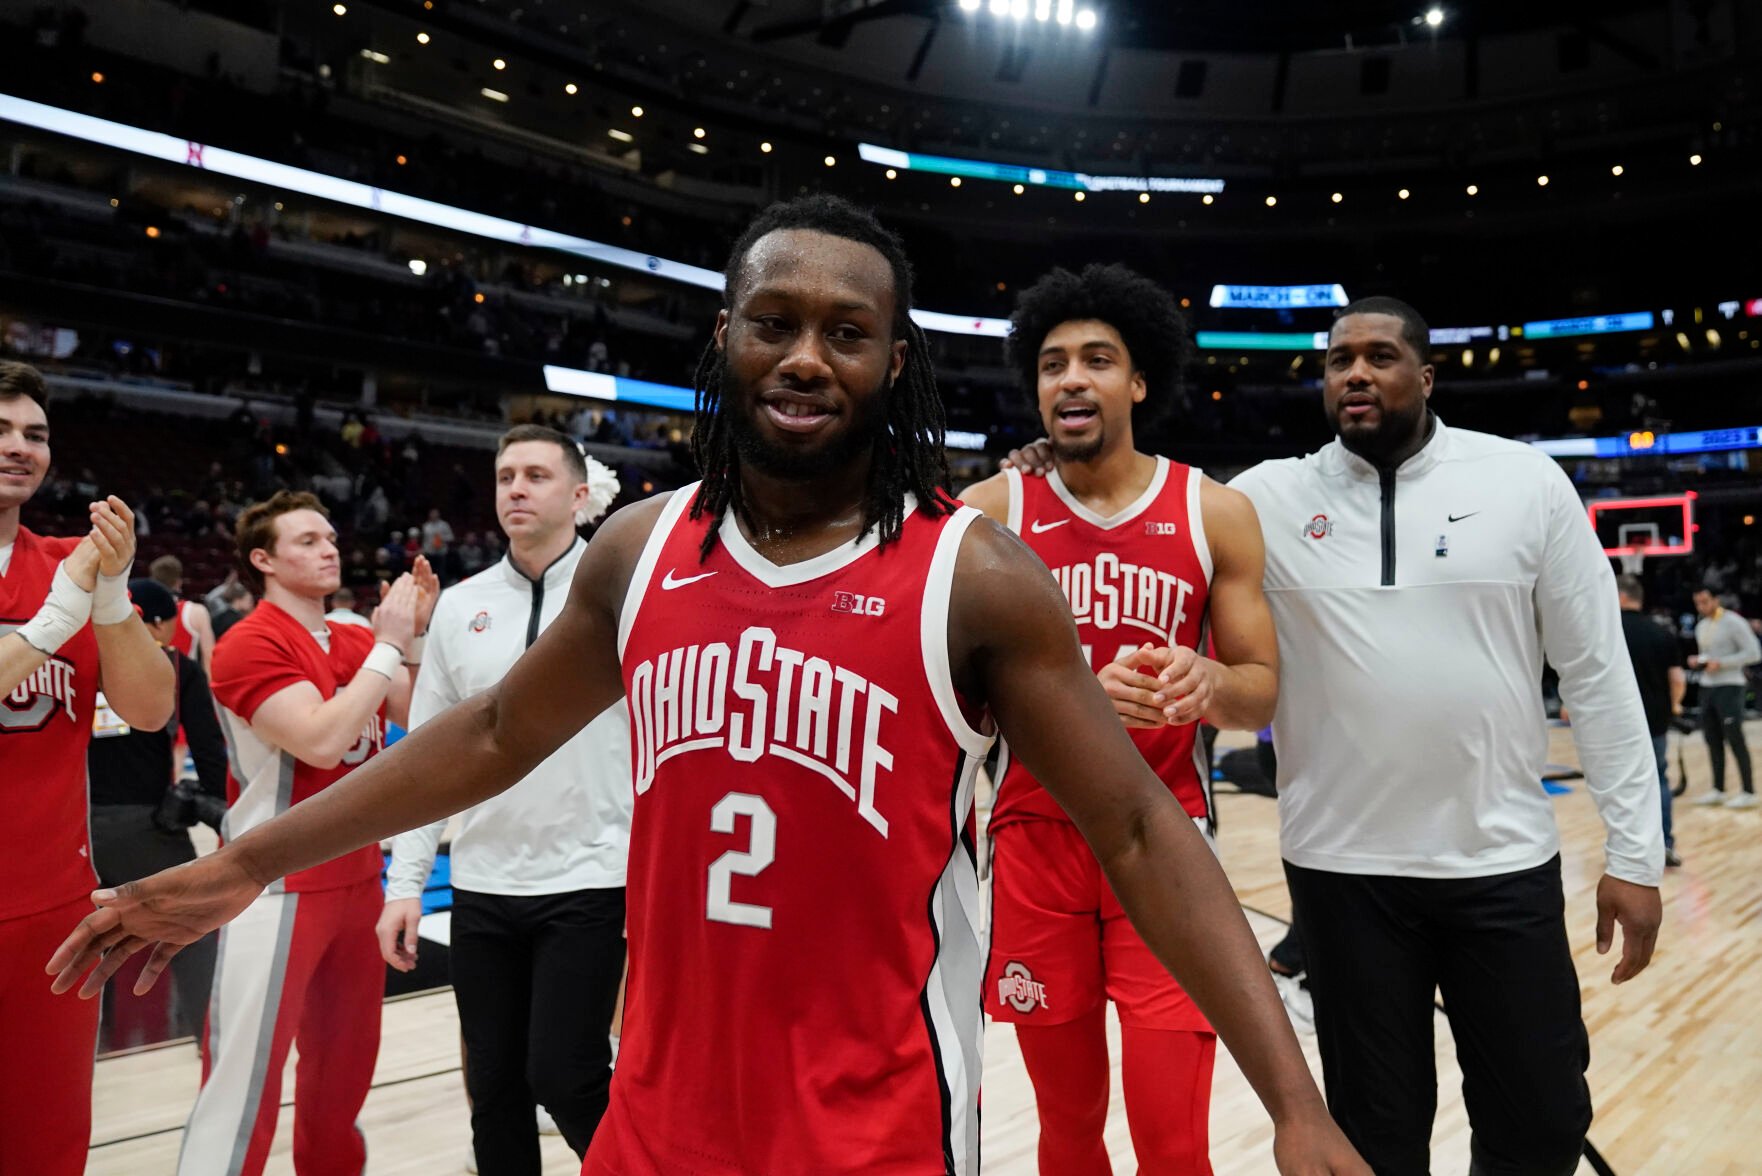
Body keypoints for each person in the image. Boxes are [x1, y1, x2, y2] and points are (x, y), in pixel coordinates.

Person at [49, 196, 1366, 1176]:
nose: (805, 357)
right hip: (656, 1126)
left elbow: (1138, 825)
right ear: (723, 337)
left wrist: (1296, 1103)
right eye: (774, 323)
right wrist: (245, 863)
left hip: (879, 1129)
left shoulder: (974, 576)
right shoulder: (639, 549)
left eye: (845, 333)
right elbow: (497, 729)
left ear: (892, 364)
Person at [1227, 297, 1662, 1175]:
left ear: (1425, 377)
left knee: (1542, 1118)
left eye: (1380, 356)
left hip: (1499, 862)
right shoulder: (1262, 498)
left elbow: (1598, 676)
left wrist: (1637, 856)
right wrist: (1045, 468)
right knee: (1376, 1133)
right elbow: (1139, 512)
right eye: (1338, 359)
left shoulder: (1525, 482)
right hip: (1343, 875)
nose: (1355, 373)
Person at [961, 263, 1279, 1174]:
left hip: (1167, 840)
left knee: (1174, 1143)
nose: (1072, 377)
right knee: (1065, 1136)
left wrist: (1207, 681)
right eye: (1053, 362)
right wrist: (1062, 694)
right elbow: (946, 695)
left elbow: (1262, 690)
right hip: (1034, 843)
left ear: (1138, 381)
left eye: (1098, 359)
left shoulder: (1215, 511)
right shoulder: (988, 516)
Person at [378, 427, 629, 1175]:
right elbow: (426, 760)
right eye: (505, 475)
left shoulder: (624, 593)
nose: (516, 488)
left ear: (580, 496)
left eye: (537, 476)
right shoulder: (460, 606)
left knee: (566, 1074)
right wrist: (404, 886)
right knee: (494, 1092)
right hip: (485, 885)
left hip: (593, 877)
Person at [169, 490, 437, 1176]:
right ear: (263, 560)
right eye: (308, 541)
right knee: (242, 1086)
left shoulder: (352, 639)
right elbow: (322, 740)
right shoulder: (244, 643)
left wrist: (420, 636)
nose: (329, 549)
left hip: (355, 882)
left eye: (329, 538)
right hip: (275, 884)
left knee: (340, 1082)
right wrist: (387, 645)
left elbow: (426, 712)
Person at [0, 359, 176, 1176]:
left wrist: (106, 599)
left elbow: (149, 709)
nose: (19, 447)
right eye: (1, 430)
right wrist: (55, 617)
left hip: (50, 908)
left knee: (48, 1141)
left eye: (34, 433)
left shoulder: (72, 561)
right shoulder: (61, 587)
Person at [87, 577, 231, 1042]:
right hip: (148, 826)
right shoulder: (174, 664)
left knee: (86, 945)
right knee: (193, 931)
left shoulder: (78, 663)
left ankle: (83, 1049)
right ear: (157, 623)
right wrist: (213, 804)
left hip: (76, 831)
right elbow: (209, 748)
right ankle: (212, 1043)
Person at [1617, 575, 1685, 866]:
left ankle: (1626, 851)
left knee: (1620, 786)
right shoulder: (1661, 633)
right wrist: (1674, 707)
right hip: (1656, 720)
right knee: (1658, 780)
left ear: (1620, 597)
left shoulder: (1609, 631)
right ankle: (1665, 844)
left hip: (1617, 723)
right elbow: (1677, 680)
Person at [1687, 586, 1759, 808]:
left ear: (1716, 600)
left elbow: (1754, 653)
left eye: (1705, 601)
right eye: (1698, 602)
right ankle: (1718, 788)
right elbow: (1710, 654)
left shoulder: (1734, 622)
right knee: (1712, 739)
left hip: (1730, 685)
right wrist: (1699, 661)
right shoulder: (1702, 625)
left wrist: (1723, 663)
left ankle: (1748, 791)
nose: (1702, 606)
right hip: (1708, 686)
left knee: (1735, 738)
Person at [149, 553, 217, 674]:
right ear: (179, 582)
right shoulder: (196, 611)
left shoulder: (141, 613)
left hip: (151, 685)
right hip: (185, 686)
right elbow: (209, 656)